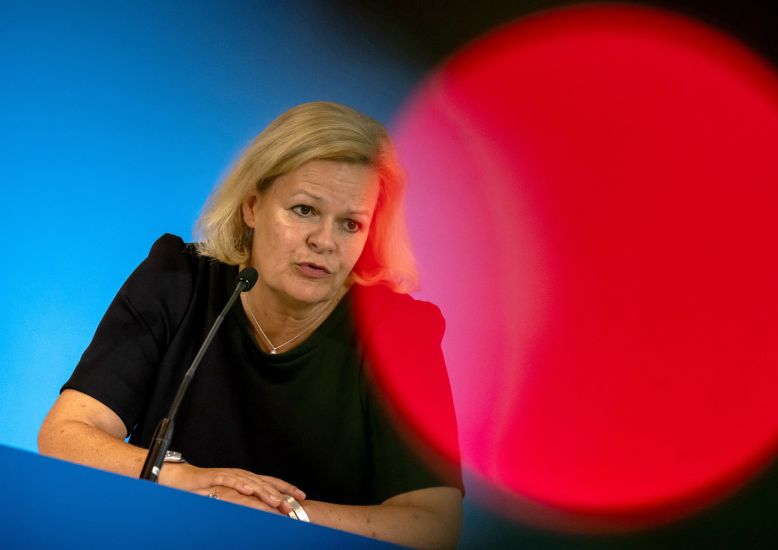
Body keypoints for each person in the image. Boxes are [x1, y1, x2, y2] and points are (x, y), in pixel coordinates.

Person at [37, 102, 463, 548]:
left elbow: (432, 523)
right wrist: (189, 482)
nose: (323, 241)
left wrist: (281, 514)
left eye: (350, 224)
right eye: (304, 210)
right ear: (252, 206)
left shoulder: (398, 332)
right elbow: (65, 434)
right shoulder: (177, 281)